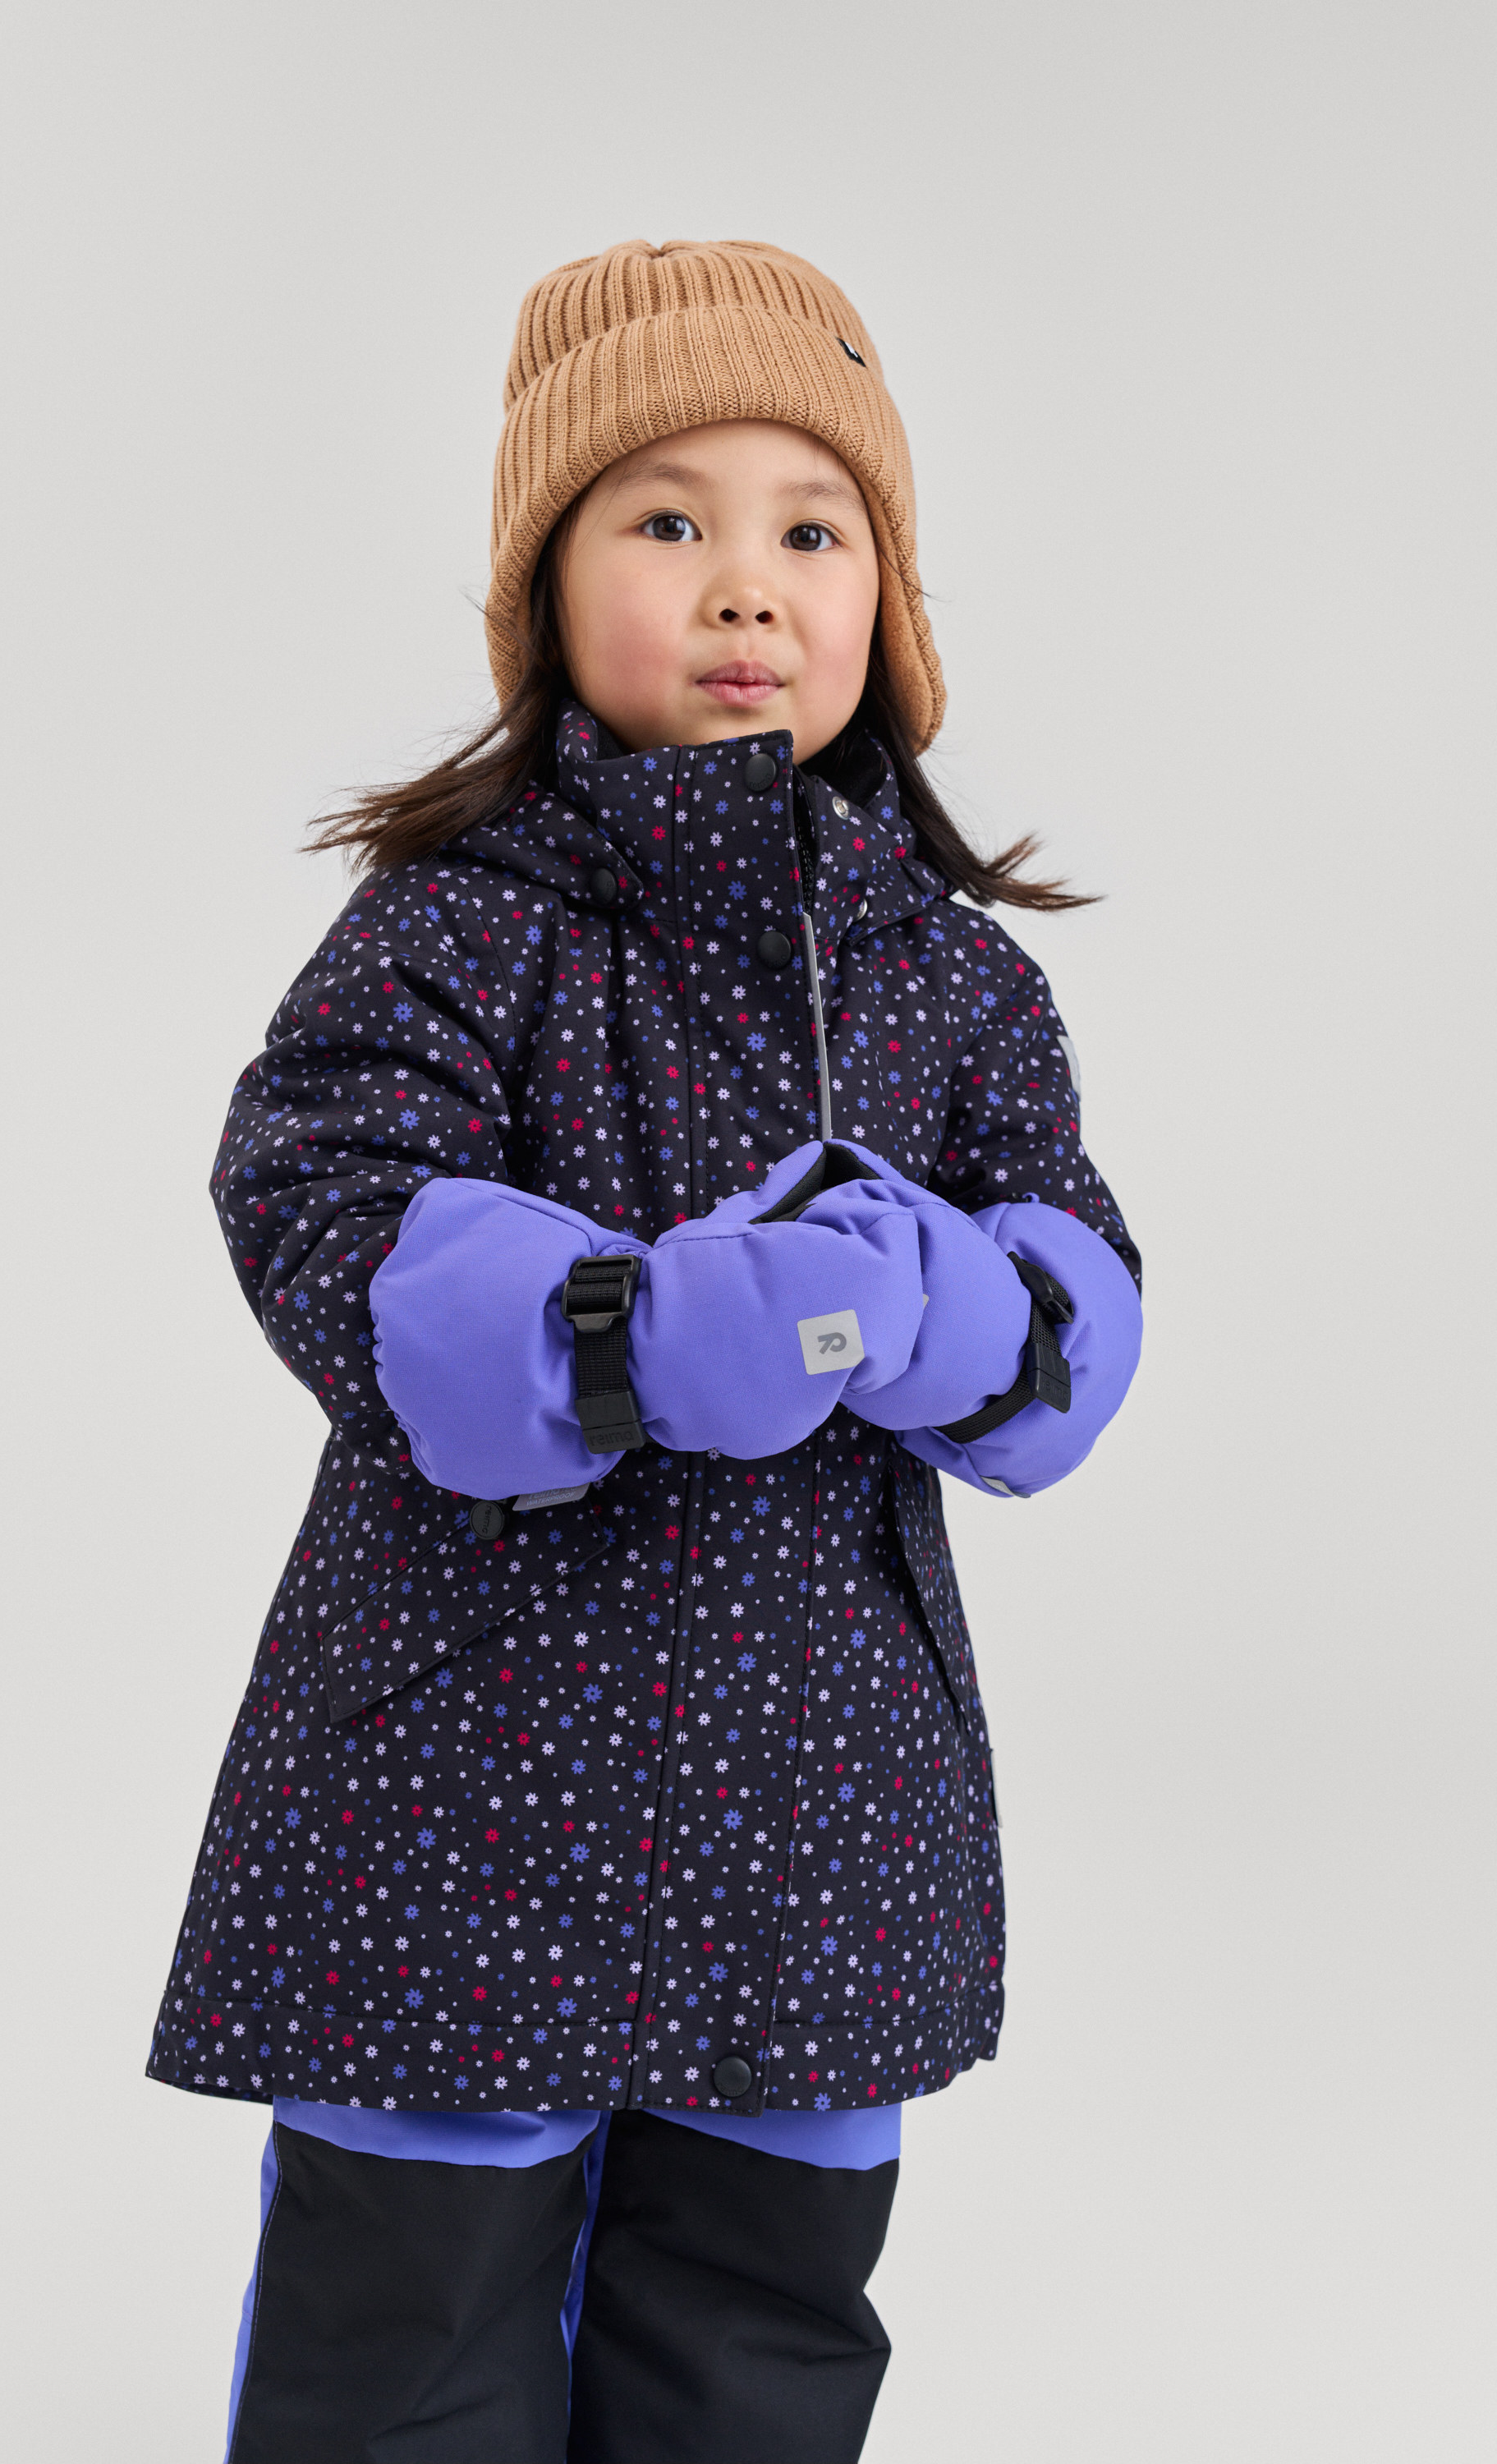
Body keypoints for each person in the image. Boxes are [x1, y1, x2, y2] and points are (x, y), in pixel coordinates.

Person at [149, 238, 1143, 2464]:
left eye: (814, 530)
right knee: (404, 2345)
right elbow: (317, 1199)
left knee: (755, 2342)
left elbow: (1079, 1300)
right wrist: (624, 1332)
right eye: (667, 519)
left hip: (821, 1799)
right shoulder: (459, 922)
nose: (744, 585)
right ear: (547, 588)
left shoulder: (956, 979)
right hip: (464, 1780)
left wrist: (961, 1309)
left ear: (890, 603)